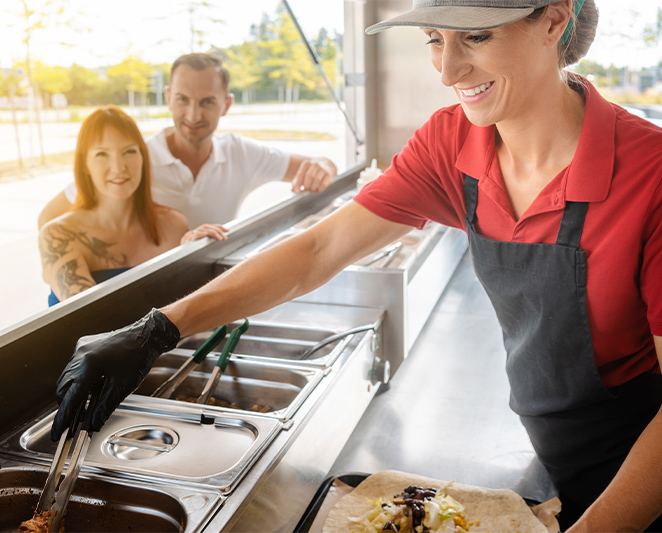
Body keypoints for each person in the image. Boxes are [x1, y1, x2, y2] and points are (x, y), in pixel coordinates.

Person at [49, 0, 662, 530]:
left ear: (555, 20)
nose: (448, 70)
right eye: (434, 40)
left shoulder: (649, 173)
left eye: (476, 36)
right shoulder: (453, 143)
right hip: (551, 447)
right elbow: (319, 249)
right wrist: (160, 327)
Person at [37, 53, 338, 230]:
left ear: (227, 104)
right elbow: (48, 220)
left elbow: (319, 164)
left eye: (207, 102)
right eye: (182, 100)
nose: (193, 115)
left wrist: (323, 165)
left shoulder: (240, 153)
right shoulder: (134, 157)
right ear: (168, 97)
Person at [40, 106, 226, 305]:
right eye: (102, 154)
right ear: (85, 164)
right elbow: (93, 322)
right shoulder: (57, 235)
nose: (119, 167)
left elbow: (191, 314)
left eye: (129, 152)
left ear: (143, 158)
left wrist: (194, 258)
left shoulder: (175, 223)